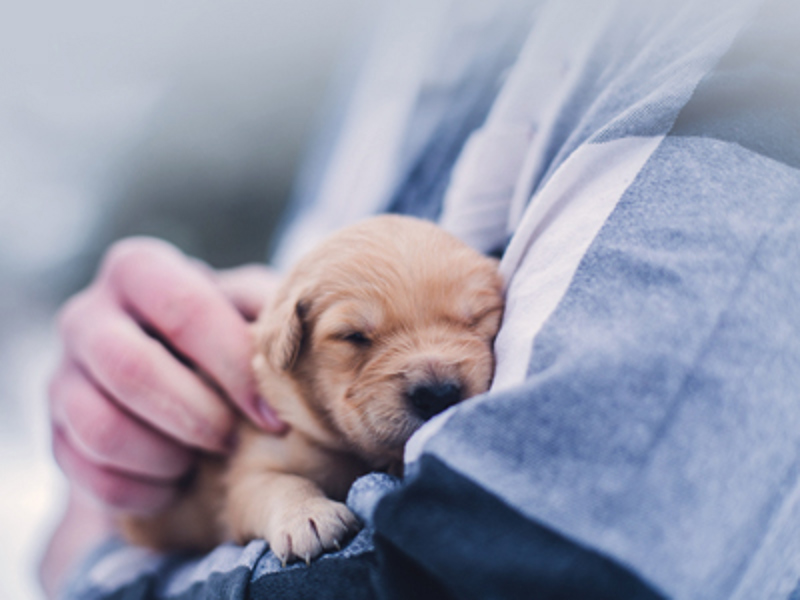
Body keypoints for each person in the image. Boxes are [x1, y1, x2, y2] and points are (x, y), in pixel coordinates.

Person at [41, 0, 800, 598]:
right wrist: (111, 441)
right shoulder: (381, 44)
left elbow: (485, 575)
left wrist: (92, 571)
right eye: (358, 339)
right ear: (287, 348)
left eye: (474, 319)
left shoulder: (745, 50)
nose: (436, 372)